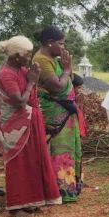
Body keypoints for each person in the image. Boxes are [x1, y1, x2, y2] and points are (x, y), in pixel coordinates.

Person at [0, 35, 61, 217]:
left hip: (29, 122)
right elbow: (19, 102)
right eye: (27, 55)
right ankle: (16, 207)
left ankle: (31, 201)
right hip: (15, 126)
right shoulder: (7, 75)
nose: (29, 58)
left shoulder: (22, 69)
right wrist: (32, 81)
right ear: (16, 56)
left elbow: (30, 97)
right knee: (18, 164)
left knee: (32, 162)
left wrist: (32, 79)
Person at [33, 26, 83, 203]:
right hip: (54, 112)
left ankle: (69, 186)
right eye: (61, 44)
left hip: (64, 111)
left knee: (67, 149)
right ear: (49, 43)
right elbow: (57, 86)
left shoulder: (51, 59)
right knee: (59, 150)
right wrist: (67, 70)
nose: (63, 48)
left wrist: (67, 70)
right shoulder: (41, 60)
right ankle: (60, 189)